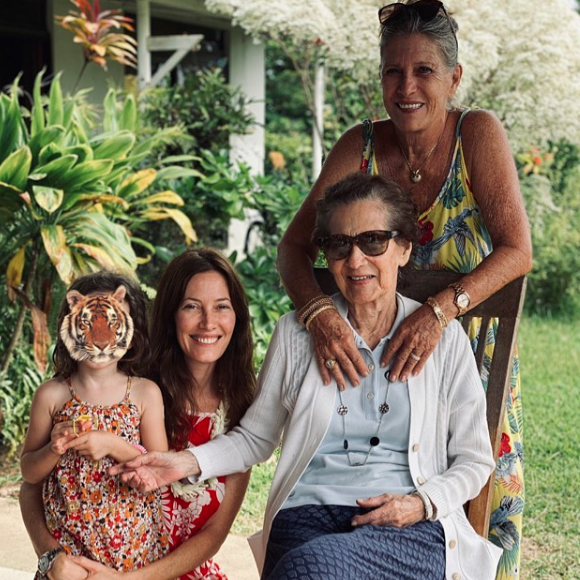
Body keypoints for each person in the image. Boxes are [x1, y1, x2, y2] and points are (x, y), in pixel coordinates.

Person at [111, 173, 503, 580]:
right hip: (304, 518)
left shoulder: (442, 338)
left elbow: (475, 461)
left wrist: (421, 504)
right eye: (339, 245)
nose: (355, 260)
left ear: (403, 248)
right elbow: (255, 438)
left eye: (373, 241)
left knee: (305, 568)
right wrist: (182, 463)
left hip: (407, 527)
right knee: (307, 564)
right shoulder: (297, 333)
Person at [276, 2, 532, 578]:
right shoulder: (358, 147)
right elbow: (295, 248)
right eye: (393, 71)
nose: (407, 85)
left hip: (462, 355)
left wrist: (440, 312)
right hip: (371, 363)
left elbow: (518, 249)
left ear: (454, 77)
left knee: (479, 503)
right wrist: (318, 312)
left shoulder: (477, 134)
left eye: (424, 71)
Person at [20, 249, 257, 580]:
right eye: (191, 306)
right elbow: (31, 482)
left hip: (151, 570)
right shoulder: (126, 379)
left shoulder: (244, 414)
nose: (207, 322)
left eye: (222, 306)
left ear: (238, 317)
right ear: (170, 313)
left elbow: (213, 536)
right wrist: (53, 558)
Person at [20, 271, 169, 578]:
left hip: (132, 559)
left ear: (132, 332)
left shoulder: (144, 393)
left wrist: (112, 444)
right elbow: (29, 474)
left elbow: (161, 470)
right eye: (88, 323)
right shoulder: (52, 395)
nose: (101, 339)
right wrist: (53, 448)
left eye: (114, 323)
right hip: (68, 564)